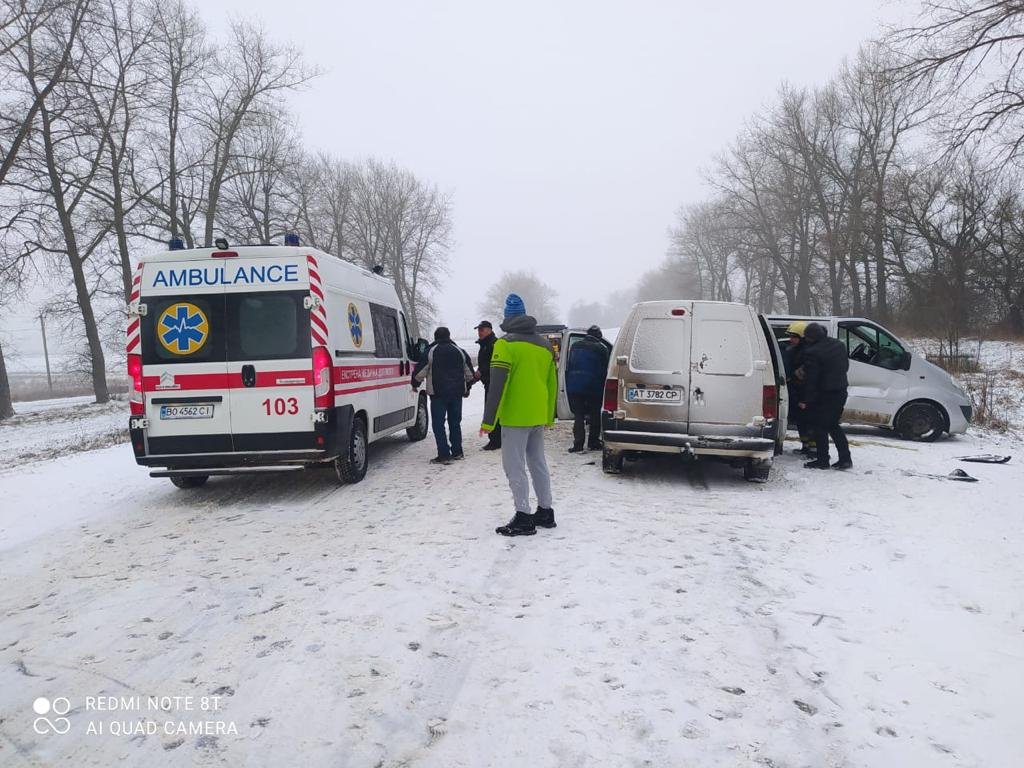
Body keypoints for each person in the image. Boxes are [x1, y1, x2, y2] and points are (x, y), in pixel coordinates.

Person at [480, 293, 557, 537]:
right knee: (538, 463)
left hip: (514, 417)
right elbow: (551, 383)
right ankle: (545, 511)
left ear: (507, 318)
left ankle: (523, 516)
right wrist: (548, 416)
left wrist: (489, 421)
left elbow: (497, 386)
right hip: (537, 415)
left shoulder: (504, 345)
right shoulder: (545, 345)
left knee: (514, 467)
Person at [412, 327, 475, 465]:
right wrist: (467, 387)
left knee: (438, 424)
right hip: (456, 394)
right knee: (455, 422)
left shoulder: (431, 351)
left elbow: (420, 372)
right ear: (449, 335)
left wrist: (415, 384)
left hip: (438, 394)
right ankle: (458, 452)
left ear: (435, 337)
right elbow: (470, 374)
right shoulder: (459, 351)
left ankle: (444, 454)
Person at [798, 322, 852, 470]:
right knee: (833, 426)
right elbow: (846, 367)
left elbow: (812, 379)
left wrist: (805, 400)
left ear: (811, 338)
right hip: (840, 391)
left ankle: (822, 460)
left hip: (824, 394)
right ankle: (845, 459)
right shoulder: (839, 345)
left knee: (819, 427)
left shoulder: (813, 352)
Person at [565, 325, 609, 452]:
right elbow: (605, 368)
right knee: (595, 415)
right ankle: (593, 442)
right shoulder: (602, 348)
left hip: (574, 385)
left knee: (578, 415)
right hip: (593, 386)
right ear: (599, 336)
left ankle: (578, 444)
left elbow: (570, 364)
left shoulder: (575, 346)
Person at [780, 321, 815, 456]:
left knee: (810, 422)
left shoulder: (809, 353)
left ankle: (814, 449)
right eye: (790, 336)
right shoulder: (793, 350)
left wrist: (805, 398)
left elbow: (807, 375)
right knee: (801, 421)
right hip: (797, 392)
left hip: (806, 393)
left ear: (803, 337)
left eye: (794, 337)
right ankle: (805, 446)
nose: (791, 339)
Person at [475, 320, 501, 450]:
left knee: (492, 411)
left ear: (489, 330)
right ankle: (496, 439)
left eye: (482, 329)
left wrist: (482, 372)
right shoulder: (485, 345)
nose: (479, 332)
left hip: (494, 383)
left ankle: (495, 440)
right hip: (488, 382)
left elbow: (494, 364)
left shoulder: (494, 344)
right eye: (478, 330)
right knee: (493, 411)